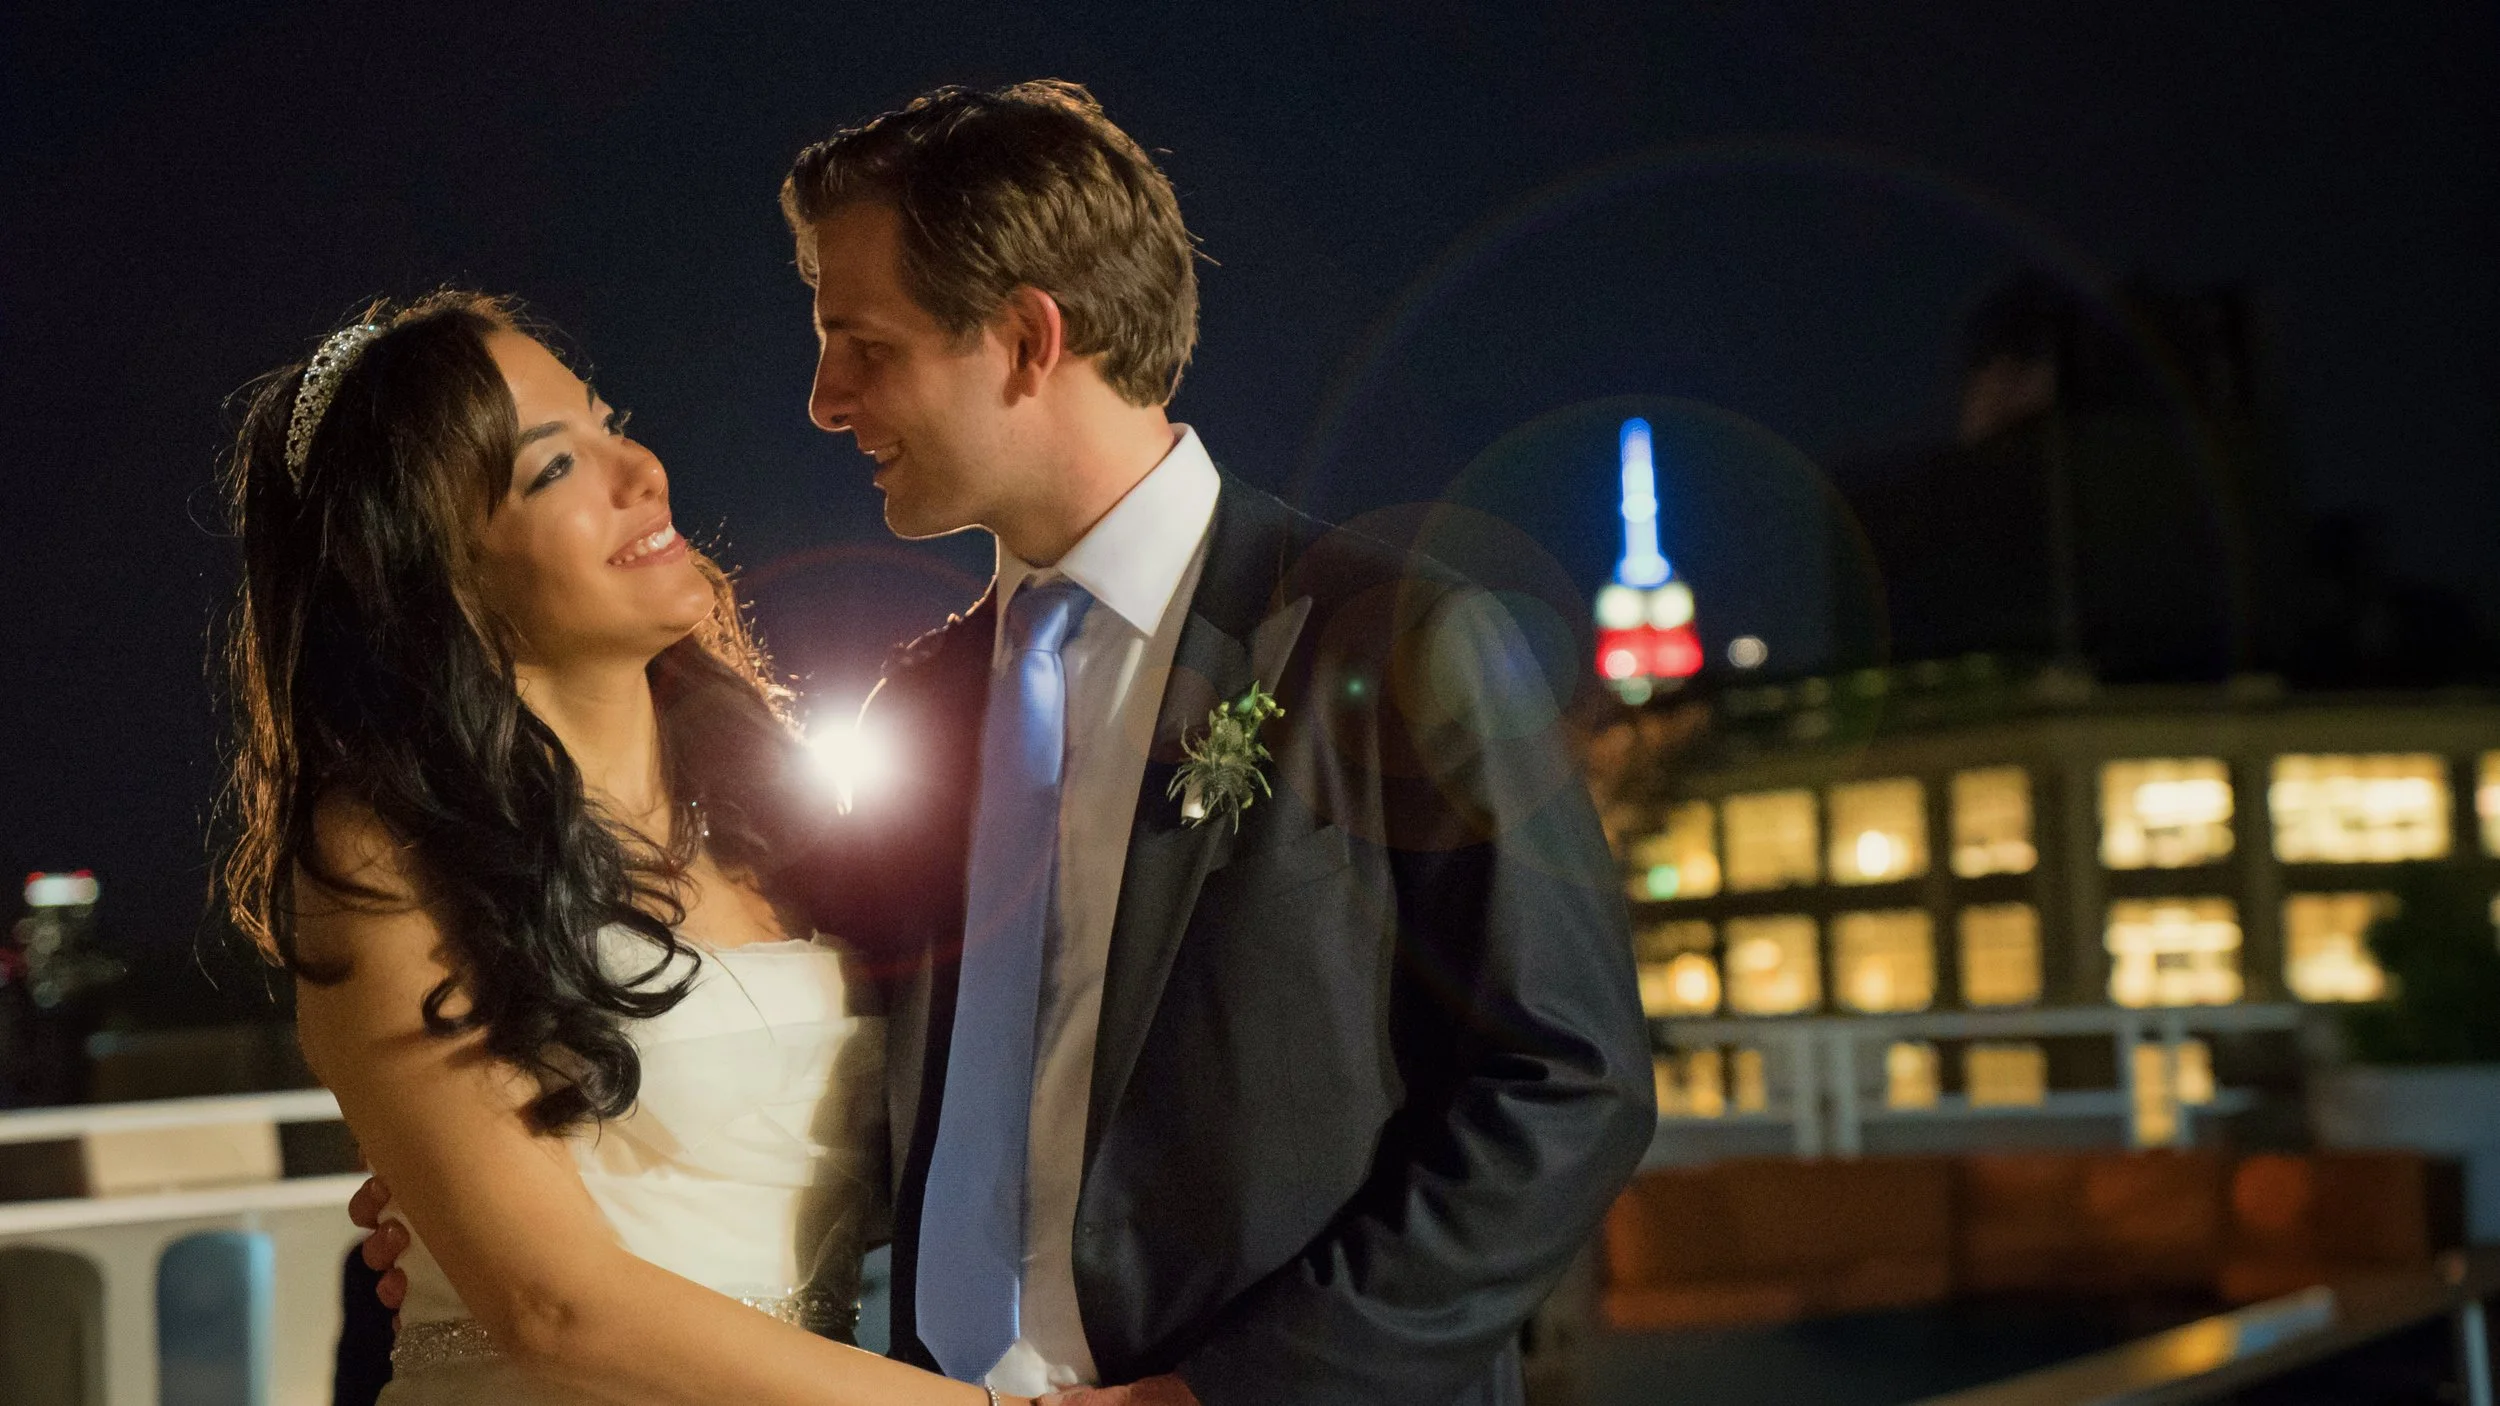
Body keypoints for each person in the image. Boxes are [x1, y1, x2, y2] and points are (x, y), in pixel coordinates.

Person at [358, 80, 1658, 1404]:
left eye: (858, 342)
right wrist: (519, 1179)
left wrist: (1231, 1394)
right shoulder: (921, 707)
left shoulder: (1391, 639)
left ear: (1028, 342)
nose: (822, 397)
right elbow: (849, 1086)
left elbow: (1569, 1084)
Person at [222, 291, 1034, 1405]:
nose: (641, 469)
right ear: (436, 574)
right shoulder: (385, 853)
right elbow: (554, 1305)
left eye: (610, 422)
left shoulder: (778, 821)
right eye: (555, 468)